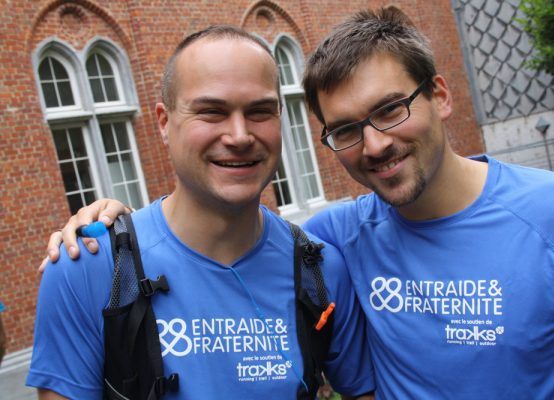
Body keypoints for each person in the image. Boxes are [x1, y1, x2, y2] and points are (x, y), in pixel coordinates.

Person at [44, 8, 554, 399]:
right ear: (164, 123)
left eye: (391, 109)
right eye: (347, 128)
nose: (375, 145)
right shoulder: (336, 241)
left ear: (440, 94)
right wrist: (109, 221)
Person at [28, 25, 374, 400]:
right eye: (211, 112)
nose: (239, 136)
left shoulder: (321, 269)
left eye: (259, 111)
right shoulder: (88, 268)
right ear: (164, 122)